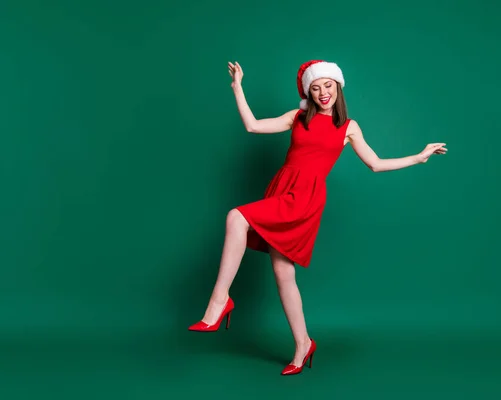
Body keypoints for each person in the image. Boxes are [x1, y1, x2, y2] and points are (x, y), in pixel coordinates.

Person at [188, 60, 447, 375]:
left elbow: (376, 163)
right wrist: (237, 87)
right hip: (282, 188)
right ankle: (303, 344)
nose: (323, 92)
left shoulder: (348, 127)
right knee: (283, 274)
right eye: (315, 87)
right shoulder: (297, 117)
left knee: (236, 217)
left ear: (338, 87)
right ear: (308, 92)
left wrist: (418, 158)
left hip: (305, 198)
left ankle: (219, 301)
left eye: (328, 85)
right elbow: (253, 126)